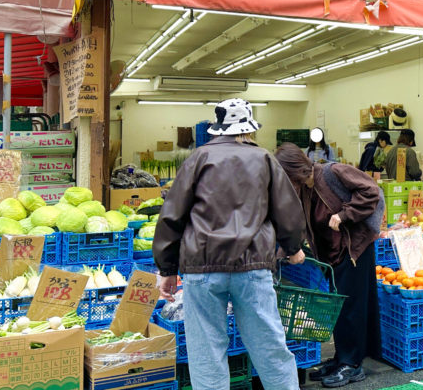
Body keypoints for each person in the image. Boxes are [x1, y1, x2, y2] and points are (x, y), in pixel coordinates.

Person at [153, 99, 306, 390]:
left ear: (217, 128)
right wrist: (294, 246)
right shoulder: (264, 159)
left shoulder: (197, 159)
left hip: (202, 268)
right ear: (249, 129)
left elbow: (172, 216)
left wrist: (167, 268)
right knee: (269, 347)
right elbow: (287, 209)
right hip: (253, 266)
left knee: (207, 351)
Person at [275, 143, 382, 388]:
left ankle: (353, 365)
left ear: (295, 170)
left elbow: (371, 191)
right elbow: (299, 222)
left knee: (351, 306)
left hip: (354, 247)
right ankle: (341, 358)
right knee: (338, 306)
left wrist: (345, 214)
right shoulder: (304, 189)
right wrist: (285, 251)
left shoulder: (333, 172)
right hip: (331, 254)